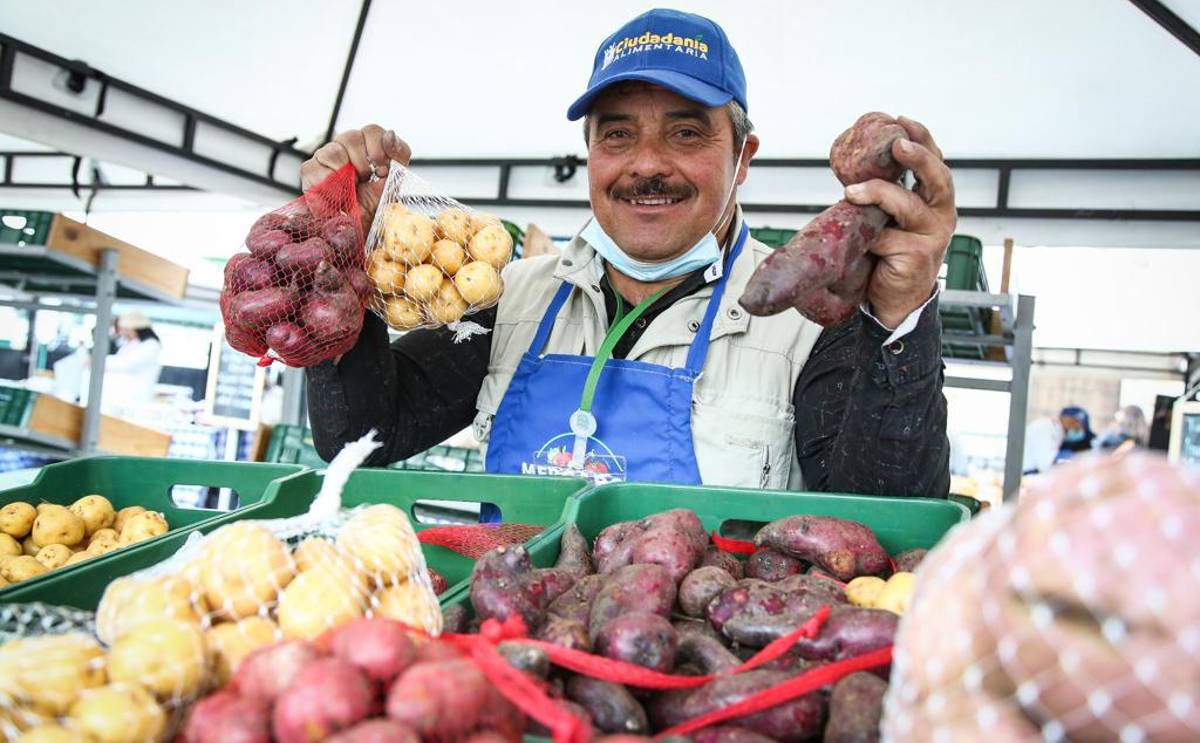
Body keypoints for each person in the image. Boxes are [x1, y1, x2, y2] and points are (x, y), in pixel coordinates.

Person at [303, 9, 956, 496]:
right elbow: (359, 437)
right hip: (513, 658)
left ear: (742, 159)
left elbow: (881, 515)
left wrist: (899, 322)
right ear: (591, 154)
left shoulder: (809, 316)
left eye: (685, 133)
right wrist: (338, 257)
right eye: (618, 135)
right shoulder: (512, 296)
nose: (647, 165)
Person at [102, 310, 162, 409]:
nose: (123, 333)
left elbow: (129, 365)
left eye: (127, 329)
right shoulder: (130, 343)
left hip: (135, 398)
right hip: (118, 396)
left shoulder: (151, 345)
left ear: (137, 328)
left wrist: (102, 362)